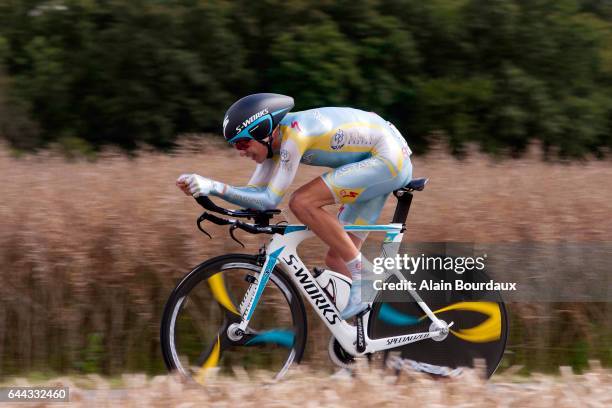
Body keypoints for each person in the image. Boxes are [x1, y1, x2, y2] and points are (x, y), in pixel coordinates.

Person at [177, 93, 413, 319]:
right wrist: (206, 194)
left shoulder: (295, 136)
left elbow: (270, 200)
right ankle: (380, 328)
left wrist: (213, 186)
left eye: (243, 143)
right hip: (378, 159)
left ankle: (366, 276)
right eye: (235, 146)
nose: (241, 152)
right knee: (339, 259)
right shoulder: (274, 144)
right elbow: (253, 194)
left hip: (387, 159)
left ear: (264, 133)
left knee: (302, 202)